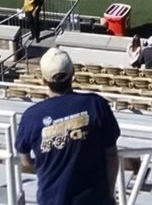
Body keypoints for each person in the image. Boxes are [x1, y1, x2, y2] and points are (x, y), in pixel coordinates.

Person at [15, 50, 121, 205]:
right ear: (73, 73)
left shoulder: (31, 117)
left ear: (44, 80)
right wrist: (109, 196)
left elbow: (25, 160)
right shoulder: (96, 105)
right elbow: (111, 155)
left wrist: (46, 168)